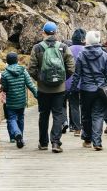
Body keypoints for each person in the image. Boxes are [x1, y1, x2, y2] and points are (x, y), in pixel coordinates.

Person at [28, 21, 75, 153]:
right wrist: (62, 80)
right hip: (59, 89)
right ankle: (55, 143)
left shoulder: (37, 48)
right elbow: (71, 67)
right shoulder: (63, 47)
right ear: (55, 33)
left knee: (43, 115)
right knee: (58, 114)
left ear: (44, 32)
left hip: (43, 89)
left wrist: (41, 79)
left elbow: (31, 68)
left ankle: (43, 143)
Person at [69, 30, 107, 151]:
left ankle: (87, 139)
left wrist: (73, 89)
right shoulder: (104, 54)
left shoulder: (82, 54)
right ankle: (97, 142)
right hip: (100, 89)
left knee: (86, 114)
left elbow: (77, 74)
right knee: (98, 115)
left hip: (86, 89)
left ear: (87, 40)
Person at [0, 52, 36, 149]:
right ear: (17, 60)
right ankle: (20, 138)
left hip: (11, 102)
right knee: (21, 118)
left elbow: (5, 88)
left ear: (7, 62)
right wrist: (38, 96)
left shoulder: (5, 74)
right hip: (21, 101)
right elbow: (30, 85)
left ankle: (17, 134)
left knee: (11, 118)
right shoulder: (23, 71)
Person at [63, 28, 87, 135]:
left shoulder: (67, 49)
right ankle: (86, 128)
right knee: (86, 106)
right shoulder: (86, 50)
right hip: (85, 82)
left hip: (69, 82)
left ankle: (77, 129)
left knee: (74, 105)